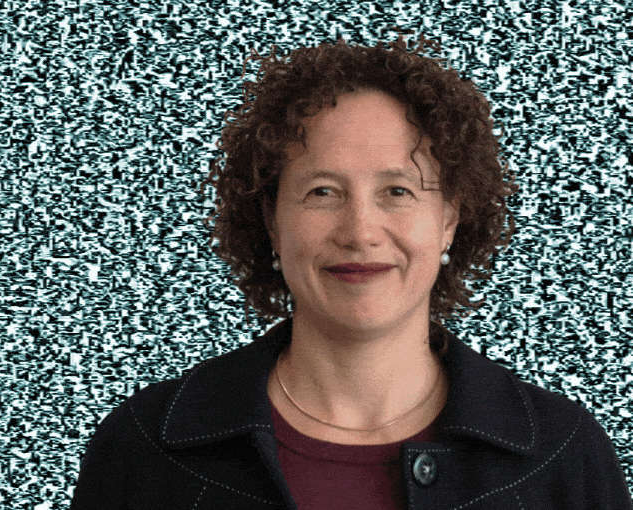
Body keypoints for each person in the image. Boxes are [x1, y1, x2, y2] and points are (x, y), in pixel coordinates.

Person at [70, 33, 633, 509]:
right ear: (272, 221)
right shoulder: (143, 448)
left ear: (449, 220)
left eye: (397, 191)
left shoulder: (563, 454)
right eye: (322, 191)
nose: (360, 231)